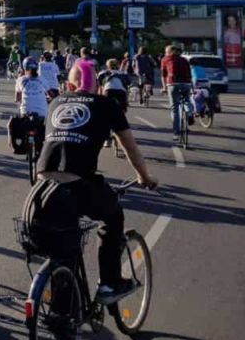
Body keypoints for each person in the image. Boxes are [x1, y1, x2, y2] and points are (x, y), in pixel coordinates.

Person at [27, 88, 158, 304]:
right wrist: (144, 177)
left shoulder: (56, 102)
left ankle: (62, 309)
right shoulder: (107, 104)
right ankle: (109, 283)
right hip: (77, 184)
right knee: (113, 217)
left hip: (43, 186)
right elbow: (131, 148)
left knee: (63, 243)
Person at [160, 45, 193, 140]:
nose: (165, 53)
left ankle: (176, 133)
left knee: (174, 109)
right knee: (187, 100)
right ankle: (189, 112)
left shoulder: (165, 59)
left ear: (170, 52)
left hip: (173, 84)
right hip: (186, 84)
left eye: (166, 52)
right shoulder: (184, 60)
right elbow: (189, 75)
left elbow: (163, 75)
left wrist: (164, 87)